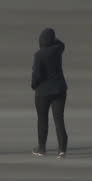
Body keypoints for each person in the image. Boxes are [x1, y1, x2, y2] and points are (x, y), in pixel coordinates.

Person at [31, 27, 69, 158]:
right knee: (59, 119)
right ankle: (62, 149)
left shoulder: (39, 55)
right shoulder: (57, 50)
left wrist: (33, 85)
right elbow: (61, 43)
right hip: (59, 89)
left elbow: (36, 75)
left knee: (42, 120)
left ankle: (41, 148)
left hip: (42, 92)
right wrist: (54, 40)